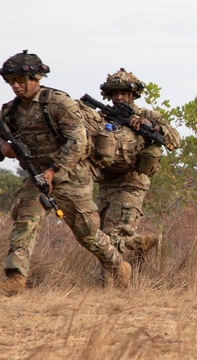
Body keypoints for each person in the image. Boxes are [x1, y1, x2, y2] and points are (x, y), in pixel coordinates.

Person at [0, 50, 130, 294]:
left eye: (20, 80)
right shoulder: (9, 113)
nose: (16, 86)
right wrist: (4, 148)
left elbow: (78, 141)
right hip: (37, 178)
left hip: (71, 177)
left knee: (87, 233)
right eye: (11, 82)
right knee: (24, 223)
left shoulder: (58, 103)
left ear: (36, 78)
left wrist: (53, 169)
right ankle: (16, 277)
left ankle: (117, 265)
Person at [92, 68, 181, 262]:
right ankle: (138, 249)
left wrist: (151, 126)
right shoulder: (102, 117)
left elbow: (175, 138)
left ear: (133, 94)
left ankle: (112, 278)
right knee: (97, 236)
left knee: (115, 234)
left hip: (132, 184)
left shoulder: (146, 115)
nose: (119, 97)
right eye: (115, 93)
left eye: (124, 93)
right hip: (106, 183)